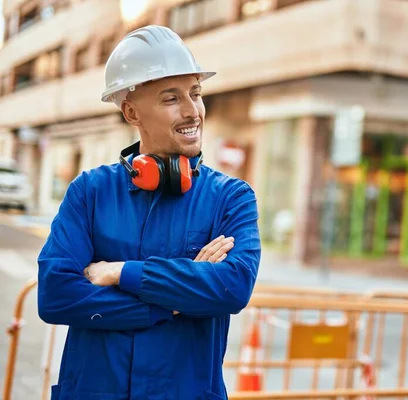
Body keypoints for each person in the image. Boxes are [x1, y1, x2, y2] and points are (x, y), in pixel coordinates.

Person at [37, 25, 261, 399]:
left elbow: (232, 287)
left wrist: (119, 272)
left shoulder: (231, 197)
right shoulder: (90, 192)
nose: (192, 112)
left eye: (196, 94)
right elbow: (56, 294)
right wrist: (171, 304)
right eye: (171, 99)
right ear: (131, 111)